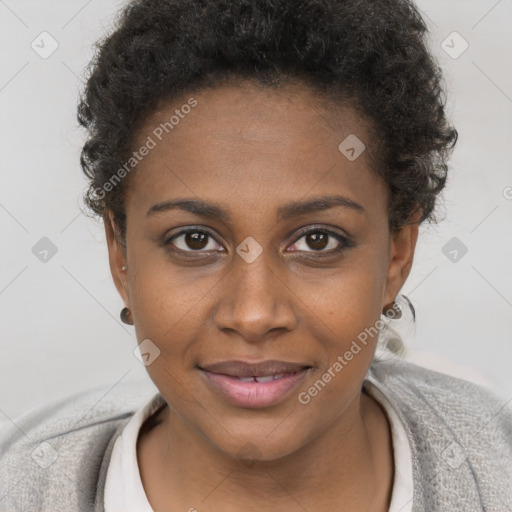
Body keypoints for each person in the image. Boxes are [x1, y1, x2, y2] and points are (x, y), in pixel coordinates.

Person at [1, 0, 511, 511]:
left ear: (398, 252)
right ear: (122, 256)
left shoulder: (494, 464)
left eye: (317, 240)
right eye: (194, 240)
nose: (253, 314)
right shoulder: (22, 487)